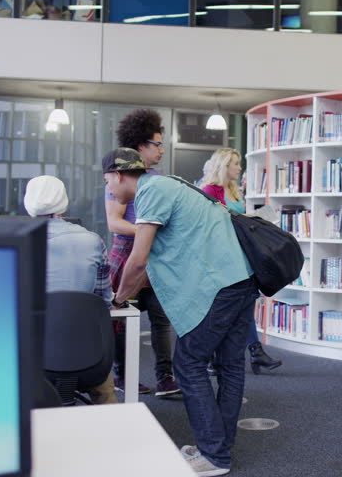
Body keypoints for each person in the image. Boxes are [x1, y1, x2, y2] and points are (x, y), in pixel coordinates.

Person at [105, 147, 256, 477]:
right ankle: (217, 449)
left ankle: (214, 455)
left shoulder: (150, 192)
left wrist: (117, 299)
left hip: (220, 288)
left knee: (188, 363)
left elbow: (139, 258)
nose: (111, 191)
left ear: (117, 175)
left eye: (108, 183)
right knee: (230, 365)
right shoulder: (173, 183)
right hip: (242, 280)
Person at [105, 108, 180, 398]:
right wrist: (148, 232)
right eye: (157, 144)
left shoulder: (157, 178)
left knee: (161, 318)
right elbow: (114, 222)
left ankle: (165, 378)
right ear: (139, 146)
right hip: (128, 255)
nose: (162, 150)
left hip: (153, 255)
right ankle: (123, 376)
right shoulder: (119, 177)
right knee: (123, 322)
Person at [23, 175, 117, 405]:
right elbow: (104, 300)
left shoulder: (19, 242)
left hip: (32, 360)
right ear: (64, 202)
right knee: (105, 393)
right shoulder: (93, 241)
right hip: (88, 355)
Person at [200, 148, 283, 374]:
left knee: (245, 304)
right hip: (221, 258)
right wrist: (250, 218)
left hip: (241, 253)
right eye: (235, 163)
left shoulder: (235, 190)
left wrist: (256, 217)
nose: (239, 167)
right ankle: (220, 355)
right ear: (224, 165)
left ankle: (253, 352)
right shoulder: (211, 190)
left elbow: (235, 218)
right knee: (225, 308)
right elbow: (214, 223)